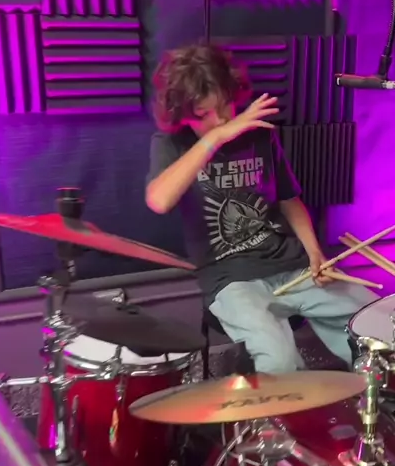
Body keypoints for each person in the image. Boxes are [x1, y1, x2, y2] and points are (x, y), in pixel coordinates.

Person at [146, 43, 376, 374]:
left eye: (223, 107)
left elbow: (289, 200)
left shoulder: (258, 136)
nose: (220, 120)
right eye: (203, 114)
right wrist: (215, 139)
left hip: (291, 263)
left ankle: (377, 399)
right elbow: (159, 200)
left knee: (373, 324)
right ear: (183, 114)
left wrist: (315, 254)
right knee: (279, 360)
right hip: (231, 278)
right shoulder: (172, 144)